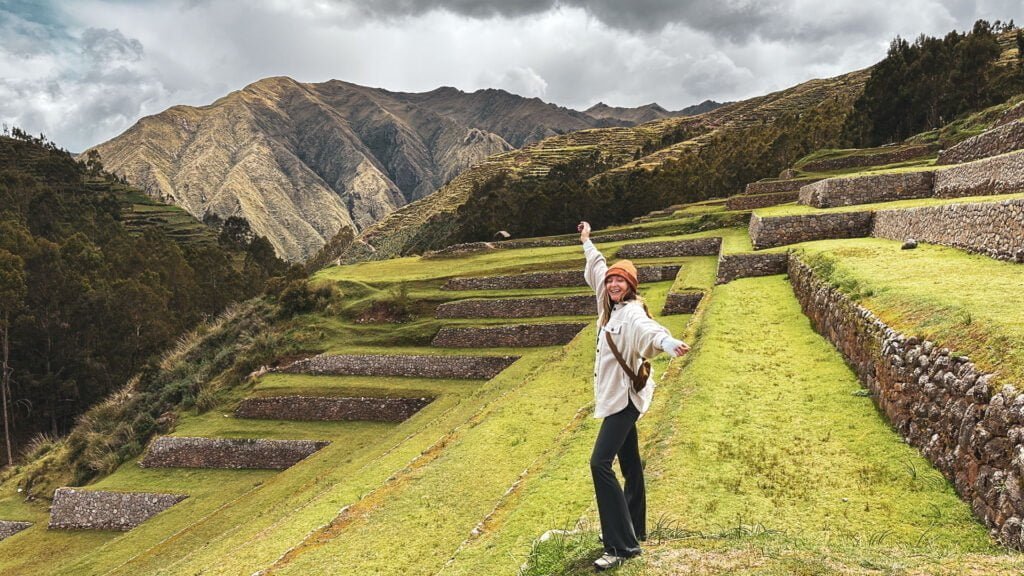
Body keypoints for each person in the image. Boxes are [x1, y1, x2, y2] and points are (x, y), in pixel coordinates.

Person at [577, 221, 690, 572]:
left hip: (622, 401)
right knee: (630, 465)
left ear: (630, 287)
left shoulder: (631, 313)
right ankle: (635, 528)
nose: (612, 284)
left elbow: (648, 330)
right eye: (611, 280)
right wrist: (587, 240)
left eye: (620, 281)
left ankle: (620, 545)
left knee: (599, 464)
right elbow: (597, 266)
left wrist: (667, 342)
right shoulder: (606, 304)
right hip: (621, 397)